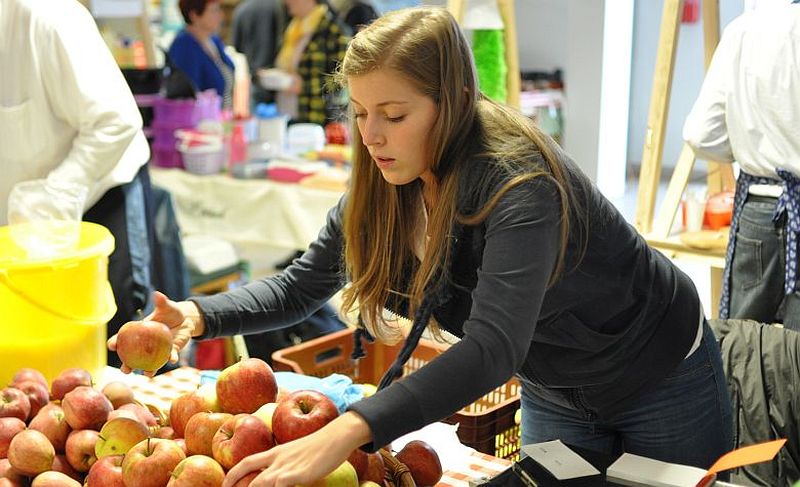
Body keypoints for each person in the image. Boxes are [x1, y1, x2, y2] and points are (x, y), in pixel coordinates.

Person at [111, 7, 733, 485]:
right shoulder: (388, 181)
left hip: (659, 377)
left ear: (455, 101)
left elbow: (491, 349)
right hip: (553, 385)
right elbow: (304, 284)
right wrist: (198, 315)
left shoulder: (521, 184)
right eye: (359, 113)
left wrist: (347, 431)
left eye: (394, 114)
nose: (373, 136)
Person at [1, 0, 154, 368]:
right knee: (33, 347)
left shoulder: (50, 18)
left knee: (123, 336)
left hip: (99, 197)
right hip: (20, 221)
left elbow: (116, 120)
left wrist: (56, 191)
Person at [683, 0, 800, 330]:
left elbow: (701, 134)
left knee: (740, 342)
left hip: (759, 207)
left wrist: (753, 147)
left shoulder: (745, 29)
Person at [273, 0, 350, 125]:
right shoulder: (293, 26)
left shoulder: (333, 30)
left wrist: (305, 86)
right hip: (287, 113)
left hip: (316, 119)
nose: (286, 2)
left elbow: (344, 78)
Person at [169, 0, 235, 110]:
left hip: (221, 119)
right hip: (201, 123)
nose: (220, 15)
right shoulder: (185, 45)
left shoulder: (213, 40)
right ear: (194, 15)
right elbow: (189, 94)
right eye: (214, 11)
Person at [231, 0, 287, 109]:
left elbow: (237, 47)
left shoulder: (241, 9)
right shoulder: (279, 7)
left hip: (255, 77)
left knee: (257, 121)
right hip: (279, 78)